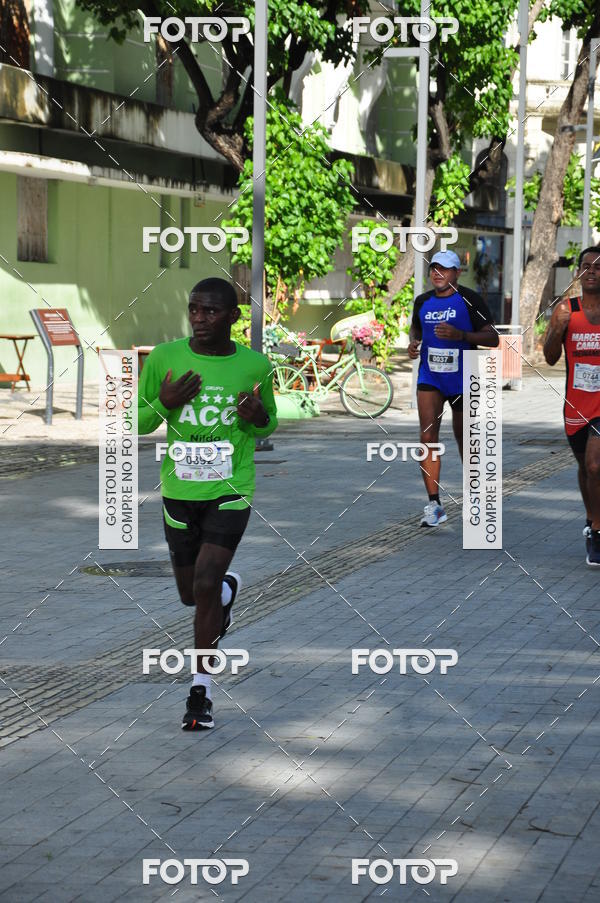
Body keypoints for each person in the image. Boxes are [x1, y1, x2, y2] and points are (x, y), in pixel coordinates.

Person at [138, 277, 277, 728]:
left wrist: (259, 420)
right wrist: (164, 402)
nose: (200, 318)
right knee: (190, 595)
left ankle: (200, 691)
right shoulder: (165, 358)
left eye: (211, 311)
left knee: (202, 585)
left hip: (230, 488)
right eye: (194, 309)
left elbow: (265, 425)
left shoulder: (256, 365)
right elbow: (132, 422)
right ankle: (224, 592)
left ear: (234, 317)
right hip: (180, 489)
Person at [408, 250, 499, 526]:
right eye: (434, 268)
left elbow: (493, 338)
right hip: (431, 377)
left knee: (467, 441)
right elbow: (416, 330)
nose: (437, 273)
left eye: (444, 269)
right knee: (427, 438)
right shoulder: (422, 301)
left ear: (456, 272)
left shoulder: (470, 299)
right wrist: (412, 344)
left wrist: (462, 336)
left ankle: (476, 499)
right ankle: (434, 505)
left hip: (463, 377)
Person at [543, 246, 600, 567]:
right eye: (586, 265)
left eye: (598, 267)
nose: (591, 271)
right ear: (578, 272)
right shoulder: (567, 309)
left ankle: (598, 530)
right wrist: (558, 327)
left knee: (595, 465)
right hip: (576, 405)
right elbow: (550, 356)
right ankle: (592, 518)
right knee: (585, 468)